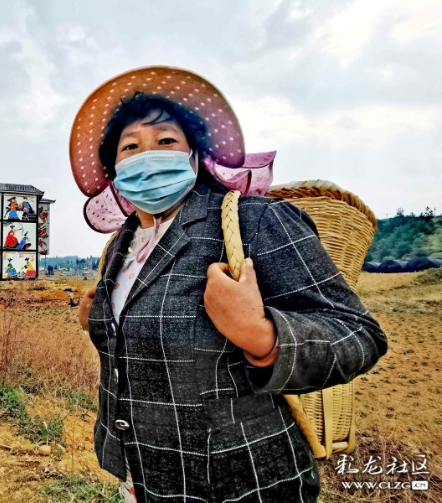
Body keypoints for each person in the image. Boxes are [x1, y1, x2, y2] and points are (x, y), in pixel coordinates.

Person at [72, 67, 388, 503]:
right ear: (114, 170)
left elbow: (358, 334)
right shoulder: (120, 248)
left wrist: (261, 334)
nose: (148, 156)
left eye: (166, 141)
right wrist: (100, 322)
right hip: (140, 476)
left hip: (241, 483)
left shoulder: (253, 221)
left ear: (195, 156)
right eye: (130, 147)